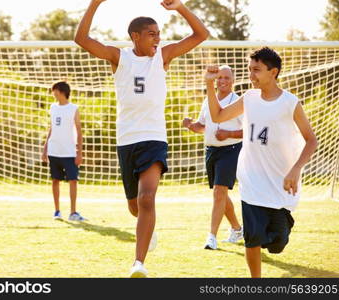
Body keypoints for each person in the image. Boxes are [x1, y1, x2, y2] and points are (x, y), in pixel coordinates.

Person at [75, 0, 209, 277]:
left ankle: (138, 263)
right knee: (135, 206)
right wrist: (95, 3)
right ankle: (148, 230)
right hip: (126, 140)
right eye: (151, 33)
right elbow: (81, 39)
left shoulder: (164, 56)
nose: (158, 38)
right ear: (135, 36)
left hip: (154, 139)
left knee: (147, 198)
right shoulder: (119, 57)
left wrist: (180, 8)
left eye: (159, 33)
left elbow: (201, 35)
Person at [205, 47, 318, 278]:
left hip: (280, 183)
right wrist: (209, 85)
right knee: (252, 238)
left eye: (256, 70)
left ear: (273, 72)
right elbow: (217, 116)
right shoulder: (249, 98)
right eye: (249, 69)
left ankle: (281, 225)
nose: (251, 75)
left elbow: (311, 140)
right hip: (251, 181)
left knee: (277, 243)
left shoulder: (290, 103)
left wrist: (295, 170)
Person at [182, 65, 243, 250]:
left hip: (231, 150)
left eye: (227, 78)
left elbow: (248, 131)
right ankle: (237, 229)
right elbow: (203, 126)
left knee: (219, 191)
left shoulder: (238, 102)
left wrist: (229, 134)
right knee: (220, 193)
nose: (223, 81)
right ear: (215, 80)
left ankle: (211, 237)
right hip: (211, 151)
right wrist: (191, 125)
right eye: (220, 77)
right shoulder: (208, 100)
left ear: (233, 81)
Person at [42, 81, 87, 222]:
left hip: (69, 152)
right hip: (54, 150)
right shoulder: (53, 107)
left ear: (61, 91)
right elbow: (51, 128)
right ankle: (57, 211)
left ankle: (73, 212)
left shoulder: (74, 108)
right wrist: (45, 147)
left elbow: (79, 131)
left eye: (54, 90)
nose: (53, 93)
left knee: (73, 181)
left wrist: (79, 152)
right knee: (55, 180)